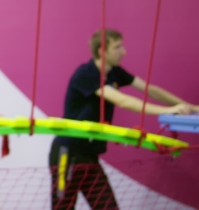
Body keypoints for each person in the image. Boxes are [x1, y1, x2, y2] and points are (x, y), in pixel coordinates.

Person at [49, 28, 197, 210]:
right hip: (68, 152)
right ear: (102, 51)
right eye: (117, 47)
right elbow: (123, 101)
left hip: (90, 156)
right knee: (62, 207)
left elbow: (150, 90)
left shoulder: (114, 73)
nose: (124, 52)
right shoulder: (86, 73)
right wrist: (169, 110)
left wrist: (190, 107)